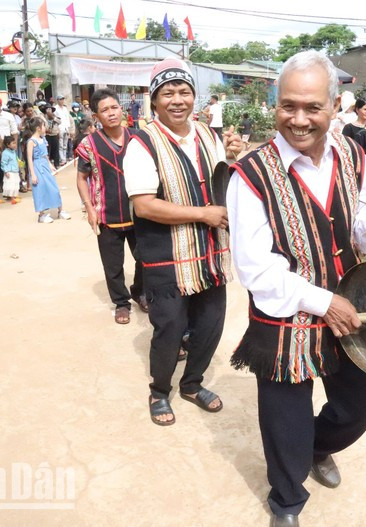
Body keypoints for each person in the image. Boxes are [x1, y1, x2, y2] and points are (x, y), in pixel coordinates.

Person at [226, 50, 366, 527]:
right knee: (284, 421)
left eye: (312, 107)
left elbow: (355, 210)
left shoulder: (350, 153)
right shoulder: (249, 176)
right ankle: (286, 501)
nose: (299, 119)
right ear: (275, 106)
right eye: (288, 106)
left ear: (334, 106)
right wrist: (321, 301)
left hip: (351, 302)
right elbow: (256, 270)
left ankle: (318, 447)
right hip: (286, 314)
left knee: (358, 409)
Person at [123, 58, 242, 426]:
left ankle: (192, 384)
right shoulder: (142, 143)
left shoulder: (209, 135)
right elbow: (143, 205)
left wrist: (234, 158)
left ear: (195, 97)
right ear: (154, 100)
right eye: (168, 93)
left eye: (185, 92)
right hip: (167, 258)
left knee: (210, 325)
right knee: (170, 328)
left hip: (209, 254)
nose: (178, 100)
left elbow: (221, 183)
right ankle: (159, 390)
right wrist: (203, 213)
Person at [75, 89, 147, 325]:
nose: (111, 113)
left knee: (145, 258)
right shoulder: (89, 144)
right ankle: (121, 303)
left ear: (121, 109)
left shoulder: (139, 138)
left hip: (140, 213)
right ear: (96, 116)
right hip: (107, 214)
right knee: (113, 265)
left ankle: (140, 291)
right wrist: (89, 208)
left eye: (114, 107)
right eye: (104, 110)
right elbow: (81, 178)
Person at [25, 116, 70, 223]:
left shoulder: (43, 139)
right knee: (40, 190)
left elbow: (45, 156)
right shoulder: (31, 141)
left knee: (54, 188)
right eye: (44, 125)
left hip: (45, 165)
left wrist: (50, 164)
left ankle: (60, 210)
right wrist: (33, 174)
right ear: (38, 128)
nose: (45, 127)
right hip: (37, 167)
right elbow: (29, 159)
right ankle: (41, 215)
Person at [0, 136, 22, 204]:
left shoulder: (13, 152)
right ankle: (12, 198)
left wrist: (19, 163)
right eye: (13, 143)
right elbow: (3, 163)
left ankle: (13, 196)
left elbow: (16, 159)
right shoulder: (5, 153)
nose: (15, 145)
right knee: (11, 184)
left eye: (15, 143)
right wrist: (6, 171)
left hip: (15, 170)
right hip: (10, 171)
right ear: (8, 145)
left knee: (15, 183)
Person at [54, 95, 73, 164]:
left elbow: (67, 119)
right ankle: (62, 158)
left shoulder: (65, 108)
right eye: (60, 99)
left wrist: (68, 128)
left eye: (62, 99)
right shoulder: (55, 108)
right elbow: (55, 119)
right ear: (58, 100)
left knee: (65, 144)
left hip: (65, 127)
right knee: (60, 144)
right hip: (60, 128)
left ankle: (64, 157)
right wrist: (57, 129)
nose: (62, 101)